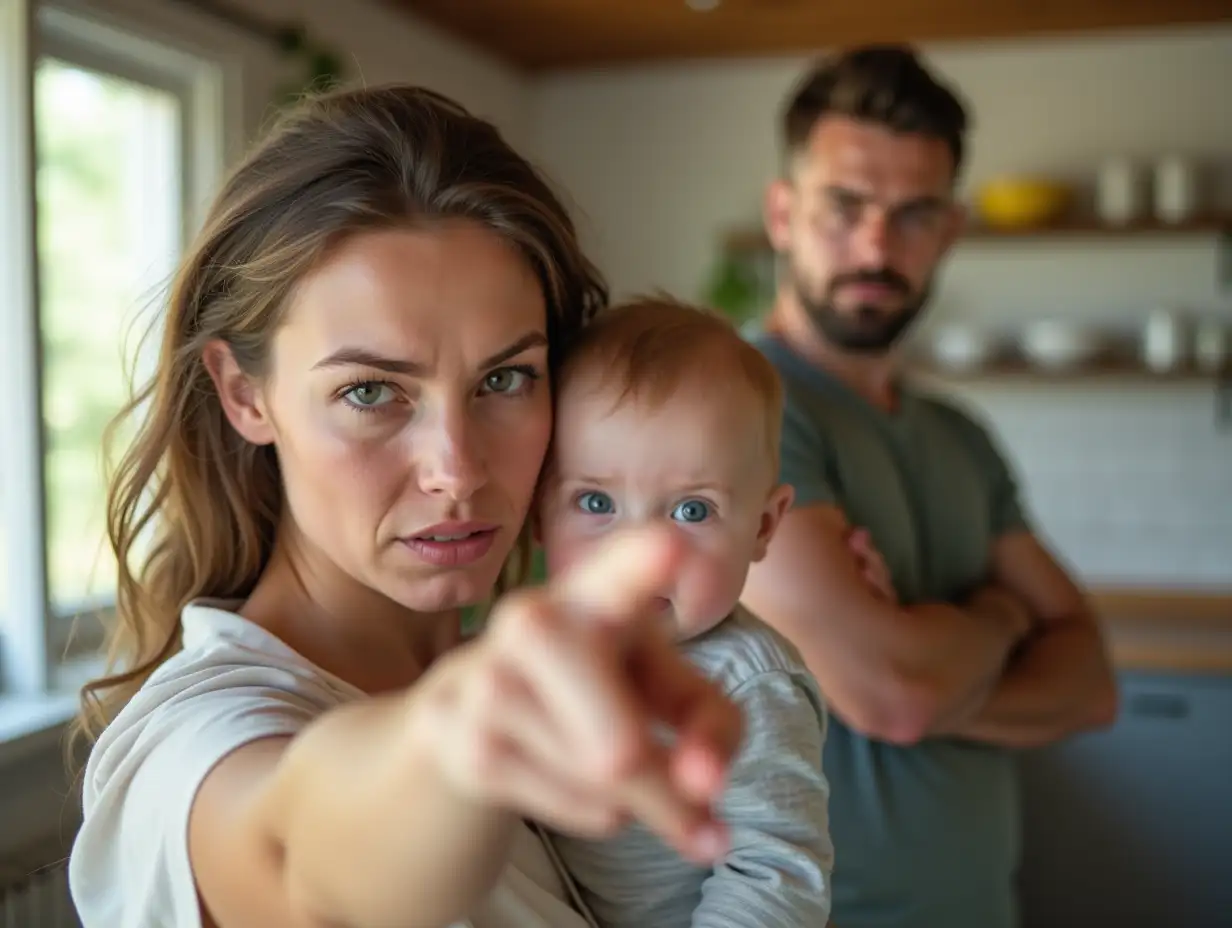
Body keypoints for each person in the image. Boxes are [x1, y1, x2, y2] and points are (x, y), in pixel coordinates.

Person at [66, 85, 746, 928]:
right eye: (370, 391)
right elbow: (302, 859)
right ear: (246, 394)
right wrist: (455, 741)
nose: (456, 471)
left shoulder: (576, 688)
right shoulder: (195, 743)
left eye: (504, 379)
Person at [740, 45, 1120, 928]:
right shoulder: (743, 403)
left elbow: (1092, 680)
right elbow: (896, 694)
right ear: (783, 213)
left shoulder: (959, 436)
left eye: (912, 215)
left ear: (948, 230)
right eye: (847, 206)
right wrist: (1001, 617)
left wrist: (931, 667)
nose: (877, 245)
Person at [536, 297, 834, 928]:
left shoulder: (750, 682)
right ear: (539, 512)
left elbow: (776, 874)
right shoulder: (530, 642)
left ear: (763, 525)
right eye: (595, 501)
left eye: (691, 511)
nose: (637, 549)